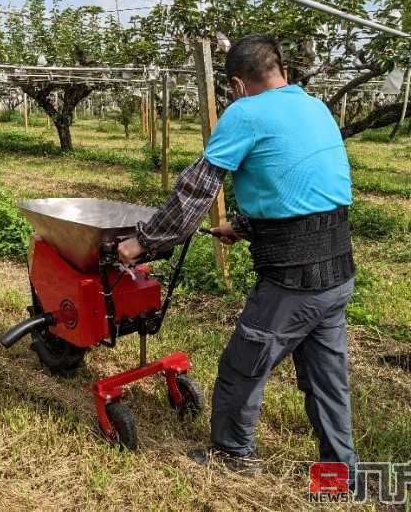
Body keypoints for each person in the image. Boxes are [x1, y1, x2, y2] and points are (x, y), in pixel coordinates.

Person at [118, 34, 357, 479]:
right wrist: (245, 226)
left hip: (293, 280)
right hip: (338, 271)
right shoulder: (314, 106)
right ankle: (341, 471)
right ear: (281, 69)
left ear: (236, 84)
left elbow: (195, 193)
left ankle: (232, 456)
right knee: (328, 380)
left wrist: (143, 243)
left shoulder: (244, 112)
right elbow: (306, 184)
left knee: (241, 368)